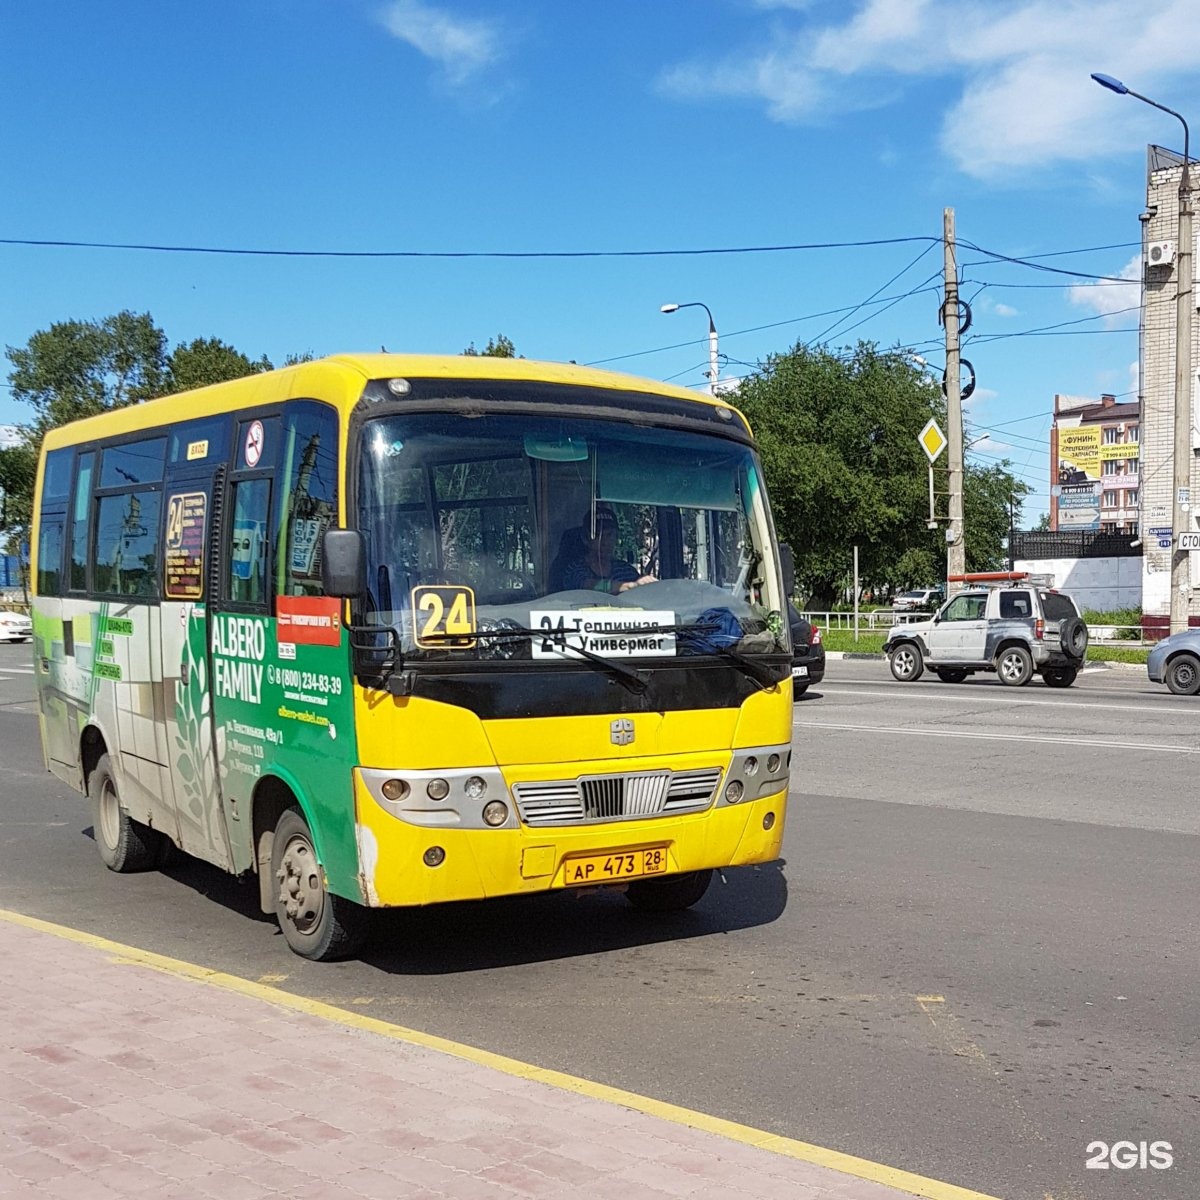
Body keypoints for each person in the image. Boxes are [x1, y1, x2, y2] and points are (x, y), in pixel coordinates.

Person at [560, 503, 656, 594]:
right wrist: (631, 586)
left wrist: (646, 584)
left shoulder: (626, 571)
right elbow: (588, 586)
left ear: (616, 538)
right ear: (586, 539)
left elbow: (641, 594)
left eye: (609, 535)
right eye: (597, 535)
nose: (604, 542)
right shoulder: (575, 569)